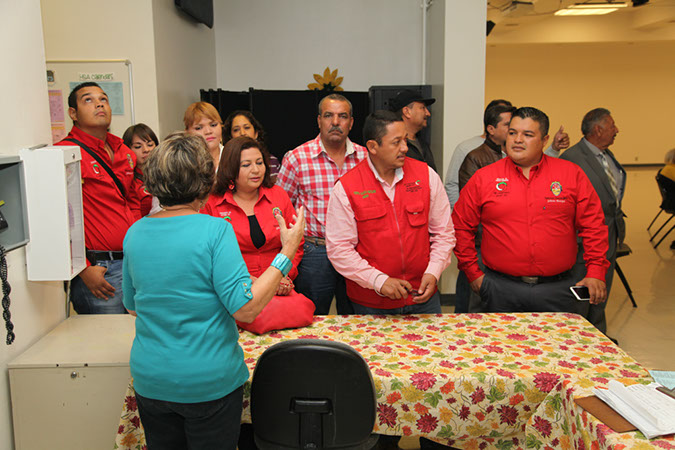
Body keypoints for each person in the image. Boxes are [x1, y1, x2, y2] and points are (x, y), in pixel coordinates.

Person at [122, 132, 304, 450]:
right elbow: (245, 308)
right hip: (207, 381)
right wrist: (286, 251)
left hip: (152, 379)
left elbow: (133, 306)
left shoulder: (135, 233)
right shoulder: (215, 230)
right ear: (207, 179)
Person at [452, 107, 610, 317]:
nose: (518, 140)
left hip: (558, 289)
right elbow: (460, 226)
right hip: (499, 289)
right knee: (498, 348)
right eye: (512, 133)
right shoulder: (485, 178)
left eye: (527, 135)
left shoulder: (571, 174)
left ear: (544, 140)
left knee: (558, 348)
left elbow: (594, 226)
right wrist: (473, 274)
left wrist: (596, 271)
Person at [326, 110, 455, 314]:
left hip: (423, 297)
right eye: (396, 142)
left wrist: (434, 271)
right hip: (371, 303)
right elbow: (339, 249)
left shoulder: (426, 176)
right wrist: (378, 281)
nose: (405, 148)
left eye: (405, 140)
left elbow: (443, 233)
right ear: (373, 147)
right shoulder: (347, 187)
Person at [276, 93, 367, 315]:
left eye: (342, 116)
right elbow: (281, 209)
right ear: (319, 121)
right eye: (329, 116)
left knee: (356, 317)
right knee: (312, 316)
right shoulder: (297, 158)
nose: (335, 122)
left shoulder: (366, 158)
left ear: (351, 122)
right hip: (314, 252)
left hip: (357, 250)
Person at [56, 82, 139, 314]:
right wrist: (82, 267)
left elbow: (132, 203)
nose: (99, 103)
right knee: (106, 344)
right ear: (73, 113)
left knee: (135, 338)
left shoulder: (124, 151)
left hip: (132, 262)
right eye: (88, 100)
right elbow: (55, 218)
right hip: (98, 268)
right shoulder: (64, 154)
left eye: (103, 99)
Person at [202, 136, 304, 303]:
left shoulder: (278, 195)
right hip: (232, 290)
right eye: (246, 165)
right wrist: (256, 282)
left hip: (280, 287)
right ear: (231, 168)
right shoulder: (212, 203)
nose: (256, 170)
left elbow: (296, 243)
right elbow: (208, 256)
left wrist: (282, 275)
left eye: (259, 162)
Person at [560, 108, 625, 334]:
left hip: (608, 235)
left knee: (600, 292)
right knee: (583, 297)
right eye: (612, 125)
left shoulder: (606, 155)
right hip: (582, 243)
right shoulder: (572, 159)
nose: (616, 130)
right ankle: (582, 337)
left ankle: (599, 337)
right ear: (598, 129)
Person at [444, 99, 570, 207]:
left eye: (527, 134)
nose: (518, 138)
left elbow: (538, 162)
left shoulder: (517, 152)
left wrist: (554, 148)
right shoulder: (470, 152)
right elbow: (455, 189)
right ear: (491, 129)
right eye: (510, 128)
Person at [454, 104, 515, 313]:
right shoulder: (475, 157)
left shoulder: (517, 157)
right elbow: (470, 209)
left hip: (509, 246)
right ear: (491, 129)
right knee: (477, 305)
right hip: (482, 244)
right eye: (508, 125)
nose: (512, 131)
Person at [223, 110, 281, 180]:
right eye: (236, 130)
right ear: (230, 136)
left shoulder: (272, 161)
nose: (242, 133)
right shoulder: (224, 163)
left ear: (256, 133)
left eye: (247, 128)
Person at [389, 89, 437, 171]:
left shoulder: (423, 144)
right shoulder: (393, 146)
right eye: (423, 108)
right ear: (407, 112)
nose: (428, 113)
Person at [123, 123, 158, 217]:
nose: (146, 150)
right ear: (127, 150)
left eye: (150, 145)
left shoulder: (165, 174)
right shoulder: (128, 181)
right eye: (138, 147)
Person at [184, 101, 224, 168]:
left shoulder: (235, 158)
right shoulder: (183, 163)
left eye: (213, 125)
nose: (208, 131)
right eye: (199, 128)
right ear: (187, 133)